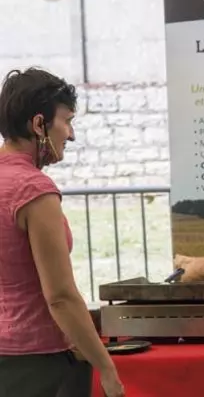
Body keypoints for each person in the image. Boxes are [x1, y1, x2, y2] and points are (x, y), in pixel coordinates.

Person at [0, 68, 125, 397]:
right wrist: (106, 368)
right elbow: (60, 296)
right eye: (67, 121)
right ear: (38, 124)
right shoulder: (33, 189)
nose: (70, 135)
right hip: (40, 363)